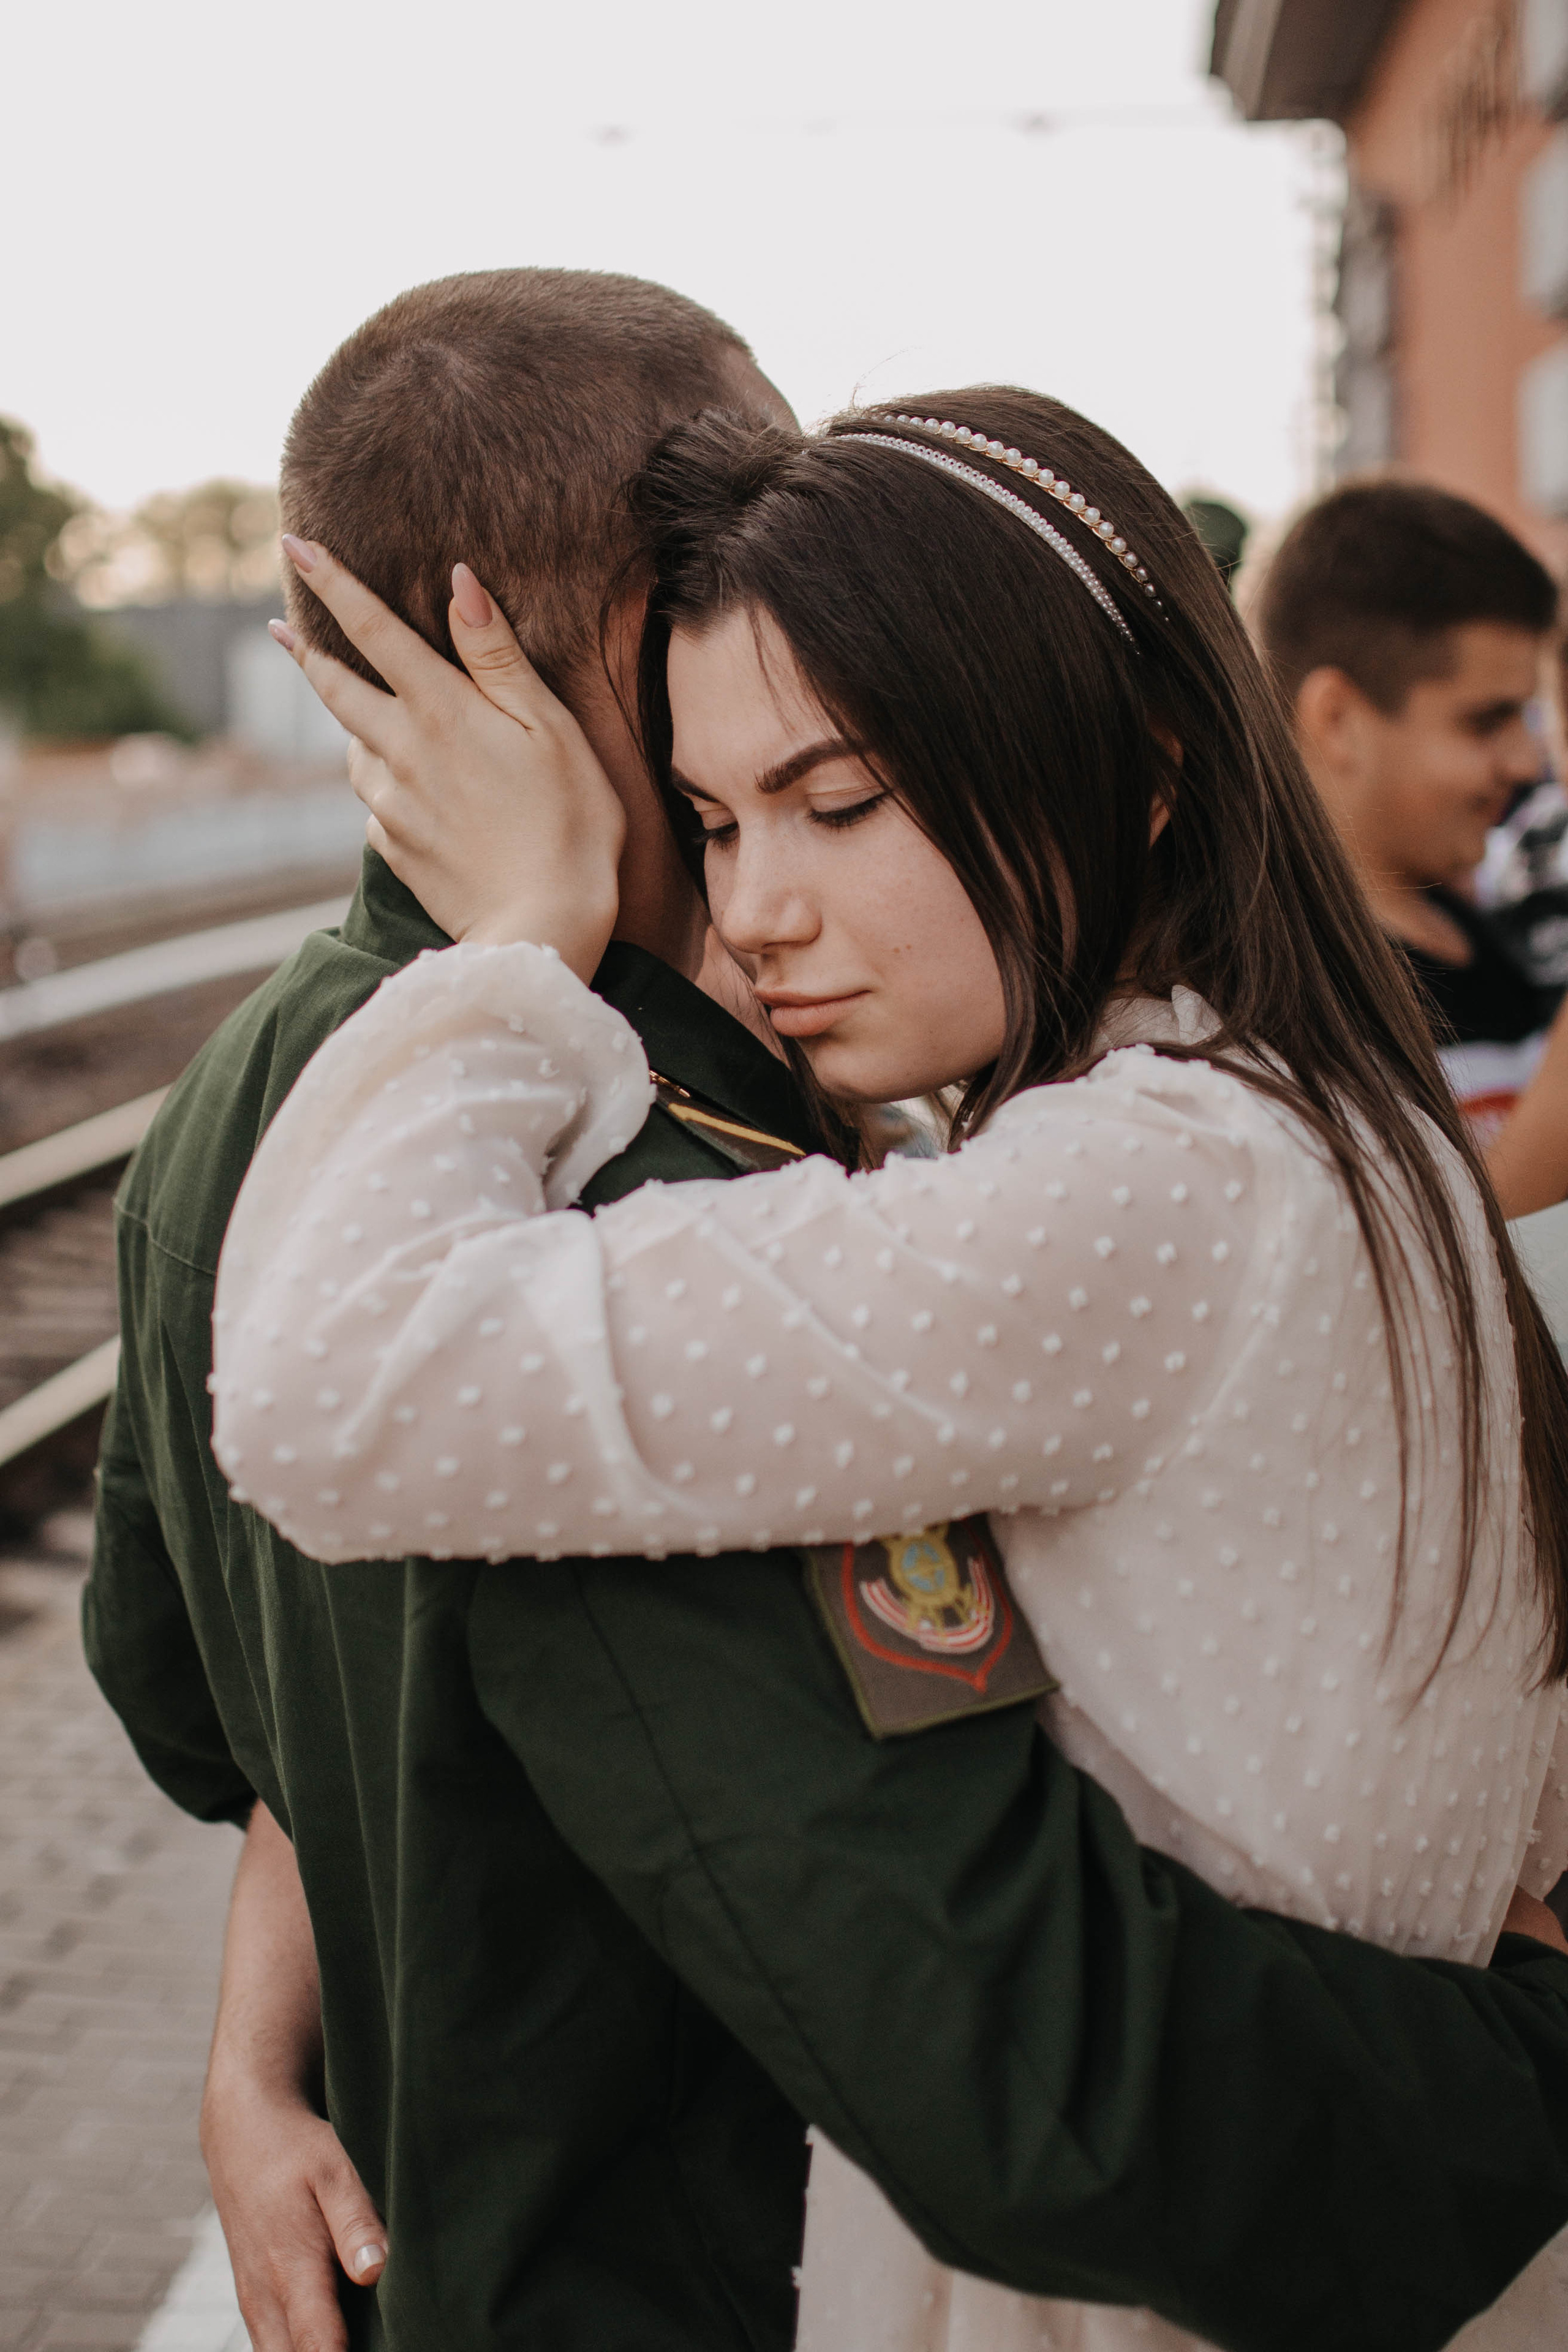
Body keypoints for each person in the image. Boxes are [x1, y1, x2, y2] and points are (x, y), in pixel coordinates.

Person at [220, 392, 1568, 2350]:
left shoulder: (1142, 1189)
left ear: (1151, 766)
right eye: (709, 823)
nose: (759, 909)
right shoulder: (1306, 1121)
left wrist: (517, 935)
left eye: (837, 803)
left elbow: (332, 1386)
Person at [1255, 479, 1568, 1213]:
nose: (1528, 762)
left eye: (1529, 716)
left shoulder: (1482, 933)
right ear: (1336, 719)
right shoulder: (1273, 991)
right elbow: (1407, 1281)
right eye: (1485, 721)